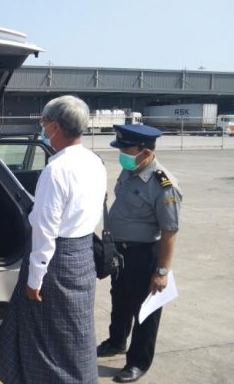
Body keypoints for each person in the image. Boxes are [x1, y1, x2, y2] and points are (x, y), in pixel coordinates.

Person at [0, 95, 107, 383]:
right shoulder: (95, 161)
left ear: (55, 127)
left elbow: (45, 229)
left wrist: (34, 280)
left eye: (44, 123)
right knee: (76, 332)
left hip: (56, 261)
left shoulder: (56, 170)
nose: (42, 128)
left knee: (48, 338)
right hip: (82, 256)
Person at [97, 124, 182, 383]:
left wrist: (162, 271)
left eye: (127, 150)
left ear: (145, 152)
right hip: (121, 253)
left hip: (144, 255)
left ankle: (138, 362)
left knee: (145, 312)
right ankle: (116, 341)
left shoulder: (163, 184)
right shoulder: (130, 171)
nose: (122, 155)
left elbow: (170, 231)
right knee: (120, 301)